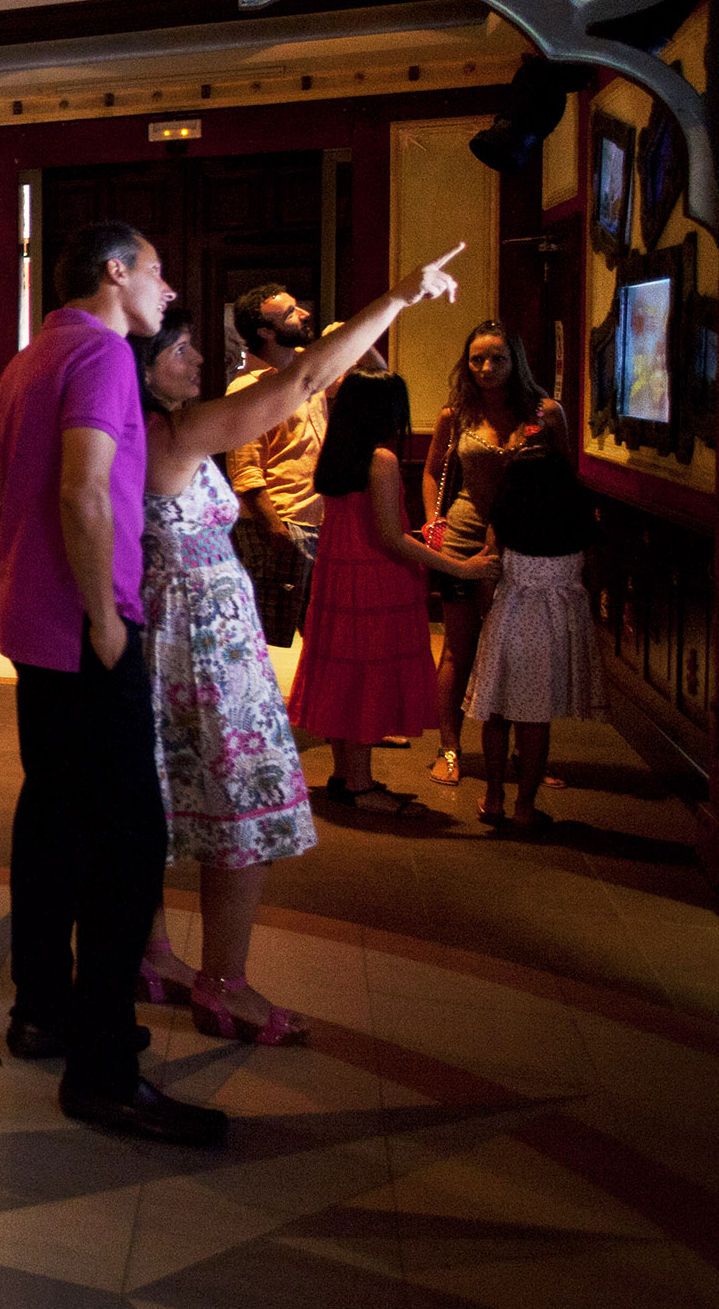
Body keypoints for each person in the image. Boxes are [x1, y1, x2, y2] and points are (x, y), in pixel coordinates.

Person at [129, 246, 464, 1046]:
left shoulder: (143, 427)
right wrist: (397, 296)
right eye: (181, 348)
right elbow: (302, 380)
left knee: (156, 805)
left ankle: (150, 955)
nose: (200, 358)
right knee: (236, 812)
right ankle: (224, 984)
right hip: (202, 650)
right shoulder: (172, 432)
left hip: (169, 636)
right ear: (146, 365)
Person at [0, 220, 221, 1147]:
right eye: (156, 270)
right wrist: (107, 617)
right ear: (114, 273)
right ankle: (105, 1070)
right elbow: (81, 491)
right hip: (83, 630)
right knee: (127, 843)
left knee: (51, 817)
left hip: (31, 625)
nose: (165, 288)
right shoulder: (108, 355)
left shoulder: (29, 357)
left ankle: (42, 1009)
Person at [287, 373, 497, 812]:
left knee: (344, 674)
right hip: (372, 580)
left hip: (337, 576)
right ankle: (363, 787)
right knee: (366, 676)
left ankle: (346, 777)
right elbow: (391, 539)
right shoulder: (379, 458)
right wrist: (464, 566)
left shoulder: (339, 452)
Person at [422, 324, 568, 789]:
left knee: (522, 654)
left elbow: (563, 478)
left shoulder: (546, 414)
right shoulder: (457, 414)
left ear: (516, 362)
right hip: (464, 536)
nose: (485, 368)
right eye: (477, 359)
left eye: (497, 359)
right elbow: (430, 473)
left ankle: (529, 758)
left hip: (526, 542)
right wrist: (432, 522)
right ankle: (449, 748)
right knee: (459, 650)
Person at [465, 451, 603, 832]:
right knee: (536, 719)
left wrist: (485, 614)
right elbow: (592, 579)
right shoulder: (579, 526)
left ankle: (493, 798)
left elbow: (488, 578)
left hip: (508, 621)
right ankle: (525, 807)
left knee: (495, 713)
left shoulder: (503, 526)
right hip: (555, 630)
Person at [220, 283, 325, 647]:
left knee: (320, 639)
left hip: (317, 522)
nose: (304, 315)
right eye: (291, 312)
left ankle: (306, 705)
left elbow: (379, 378)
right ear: (265, 331)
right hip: (280, 524)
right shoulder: (248, 388)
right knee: (262, 641)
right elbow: (246, 474)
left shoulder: (308, 376)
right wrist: (278, 533)